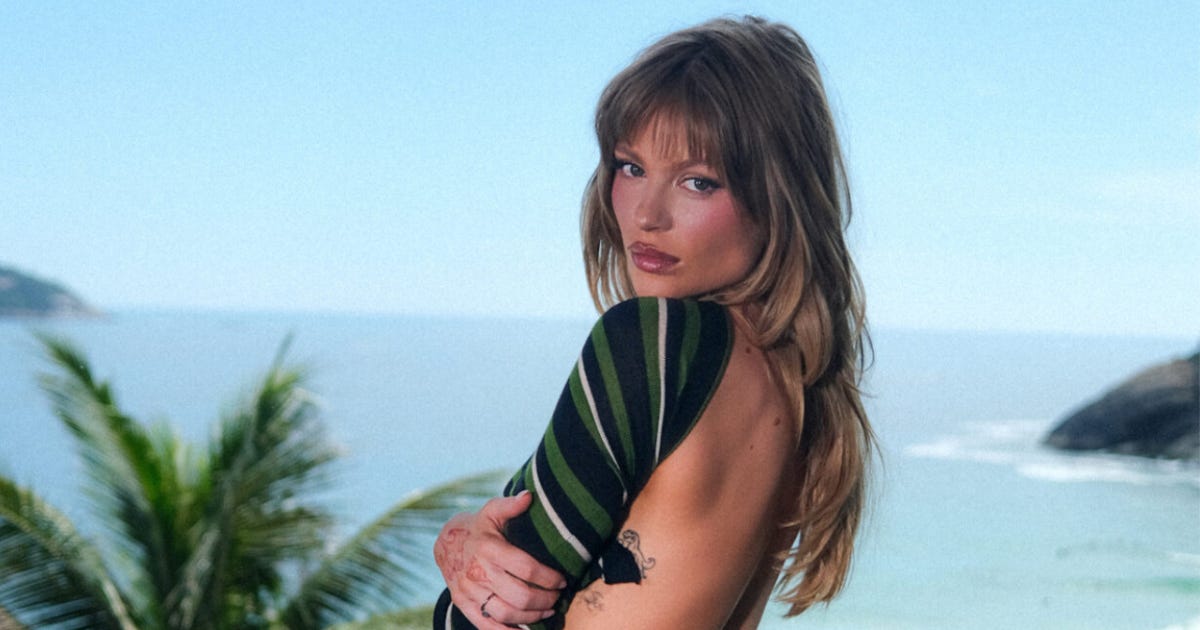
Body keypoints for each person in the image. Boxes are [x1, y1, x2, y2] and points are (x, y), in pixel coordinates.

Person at [433, 15, 874, 629]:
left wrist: (462, 552)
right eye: (631, 167)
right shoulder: (800, 393)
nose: (646, 215)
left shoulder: (655, 345)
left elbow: (485, 619)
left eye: (698, 182)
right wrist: (468, 538)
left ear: (778, 199)